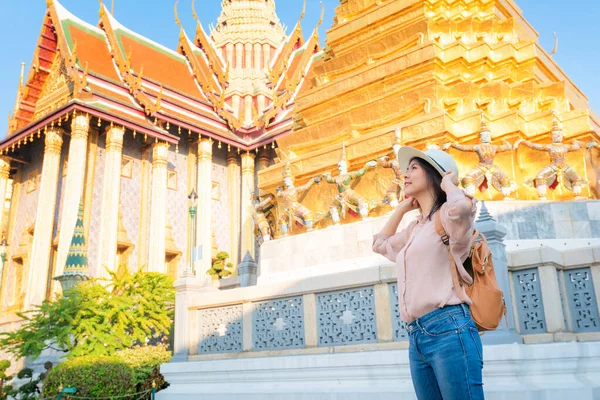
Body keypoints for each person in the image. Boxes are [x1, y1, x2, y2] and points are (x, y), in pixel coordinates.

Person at [372, 147, 483, 400]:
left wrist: (448, 183)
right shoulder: (415, 228)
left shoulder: (448, 217)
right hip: (417, 336)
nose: (405, 174)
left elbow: (462, 208)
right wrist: (401, 209)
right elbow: (380, 244)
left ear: (433, 174)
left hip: (449, 327)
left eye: (413, 168)